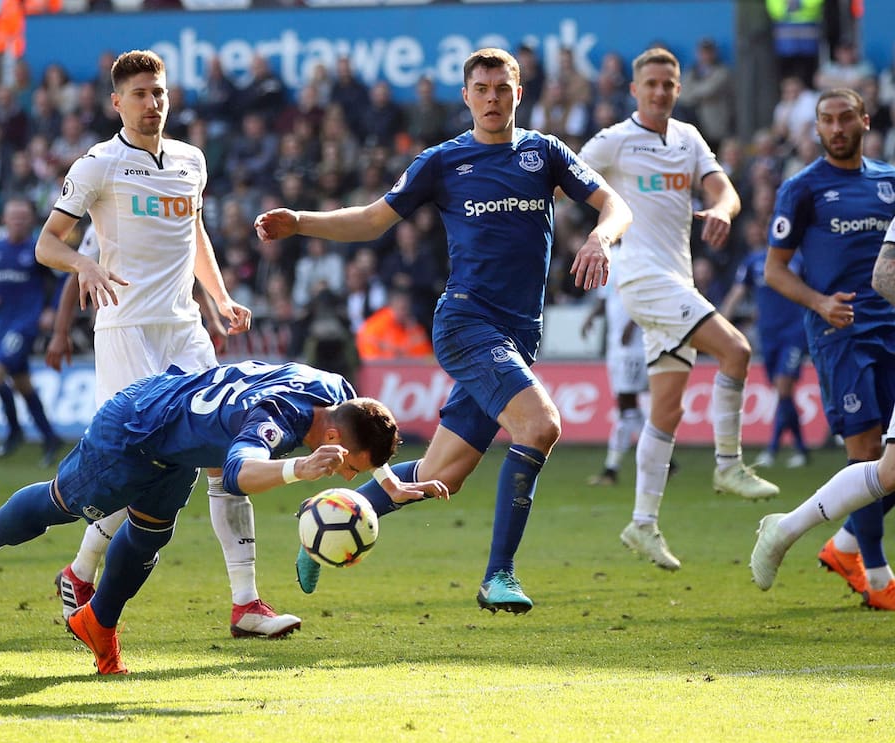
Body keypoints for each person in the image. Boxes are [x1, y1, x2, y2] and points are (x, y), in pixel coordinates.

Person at [255, 47, 632, 614]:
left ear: (518, 94)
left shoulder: (544, 153)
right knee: (541, 424)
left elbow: (615, 204)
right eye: (480, 88)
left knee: (439, 476)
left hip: (517, 335)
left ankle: (324, 523)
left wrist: (602, 236)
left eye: (502, 88)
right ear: (465, 96)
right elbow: (373, 219)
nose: (491, 98)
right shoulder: (443, 161)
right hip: (465, 321)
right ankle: (498, 576)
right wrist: (302, 221)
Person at [35, 50, 299, 639]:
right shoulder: (98, 165)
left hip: (184, 330)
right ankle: (80, 572)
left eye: (159, 93)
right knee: (133, 470)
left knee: (226, 457)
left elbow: (194, 231)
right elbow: (47, 244)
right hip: (127, 331)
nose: (152, 103)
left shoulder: (190, 161)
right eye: (140, 95)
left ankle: (246, 604)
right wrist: (84, 264)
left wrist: (219, 297)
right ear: (116, 103)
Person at [0, 360, 444, 673]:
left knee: (148, 537)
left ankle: (98, 622)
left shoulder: (335, 389)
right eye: (350, 466)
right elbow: (234, 474)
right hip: (136, 427)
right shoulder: (279, 418)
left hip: (174, 444)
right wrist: (300, 468)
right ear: (335, 443)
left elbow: (361, 432)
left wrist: (393, 484)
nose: (347, 475)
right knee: (60, 504)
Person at [576, 47, 778, 574]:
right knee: (736, 350)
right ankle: (729, 465)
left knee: (666, 410)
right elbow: (564, 177)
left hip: (676, 279)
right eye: (652, 83)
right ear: (635, 90)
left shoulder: (688, 138)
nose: (661, 91)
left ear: (678, 89)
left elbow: (725, 191)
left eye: (669, 84)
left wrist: (721, 210)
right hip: (641, 278)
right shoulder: (615, 140)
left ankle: (642, 523)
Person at [760, 88, 895, 608]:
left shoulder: (888, 181)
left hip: (891, 326)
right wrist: (819, 303)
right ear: (816, 127)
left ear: (864, 120)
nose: (836, 128)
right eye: (826, 121)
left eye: (845, 119)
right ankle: (877, 577)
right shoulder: (803, 188)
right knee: (864, 451)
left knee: (892, 458)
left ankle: (845, 543)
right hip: (840, 334)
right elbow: (775, 270)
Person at [0, 196, 64, 466]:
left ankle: (14, 430)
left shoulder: (38, 249)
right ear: (4, 219)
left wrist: (52, 310)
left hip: (26, 324)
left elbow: (62, 281)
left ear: (31, 221)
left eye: (23, 216)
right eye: (14, 216)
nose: (18, 221)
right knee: (23, 385)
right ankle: (50, 437)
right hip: (2, 323)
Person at [720, 219, 810, 469]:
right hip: (767, 334)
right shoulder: (754, 262)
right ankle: (802, 449)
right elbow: (738, 292)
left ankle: (772, 449)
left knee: (783, 388)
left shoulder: (797, 260)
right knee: (783, 393)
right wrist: (721, 321)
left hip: (794, 331)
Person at [581, 283, 647, 486]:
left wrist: (631, 324)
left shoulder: (634, 255)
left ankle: (611, 469)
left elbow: (644, 295)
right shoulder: (610, 259)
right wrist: (591, 316)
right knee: (628, 408)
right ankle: (665, 459)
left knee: (626, 406)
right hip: (615, 347)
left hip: (634, 347)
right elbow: (605, 297)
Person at [355, 287, 433, 363]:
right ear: (391, 305)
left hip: (409, 373)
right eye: (403, 308)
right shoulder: (374, 327)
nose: (406, 312)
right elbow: (370, 360)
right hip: (382, 372)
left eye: (407, 308)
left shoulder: (414, 329)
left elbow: (426, 358)